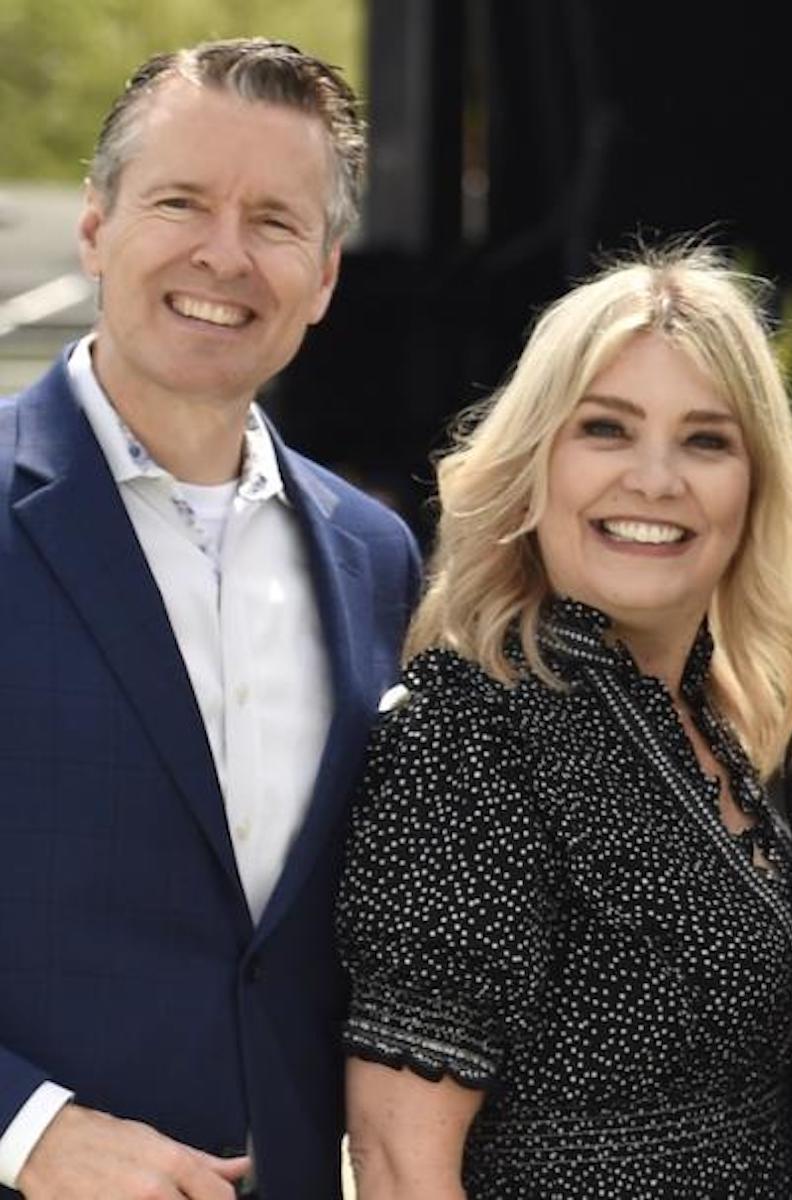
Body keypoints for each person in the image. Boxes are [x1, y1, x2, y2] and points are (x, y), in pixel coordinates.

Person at [0, 38, 419, 1200]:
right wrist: (26, 1132)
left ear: (325, 274)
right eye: (181, 201)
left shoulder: (376, 559)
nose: (223, 256)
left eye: (276, 221)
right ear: (95, 225)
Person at [336, 248, 792, 1196]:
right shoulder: (474, 726)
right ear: (534, 466)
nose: (655, 480)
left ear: (755, 486)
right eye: (606, 429)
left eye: (706, 440)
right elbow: (401, 1159)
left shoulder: (708, 721)